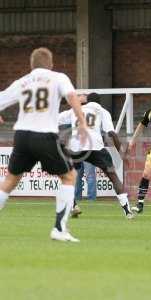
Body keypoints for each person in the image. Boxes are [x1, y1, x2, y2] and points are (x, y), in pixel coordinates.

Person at [0, 47, 87, 242]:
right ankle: (59, 228)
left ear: (31, 65)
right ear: (51, 64)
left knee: (10, 181)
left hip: (22, 136)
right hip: (45, 135)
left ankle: (60, 229)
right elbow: (72, 96)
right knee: (69, 176)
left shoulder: (22, 81)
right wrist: (82, 121)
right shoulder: (58, 77)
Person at [58, 92, 135, 219]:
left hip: (76, 147)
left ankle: (73, 205)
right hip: (96, 147)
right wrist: (122, 154)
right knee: (113, 176)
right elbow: (111, 133)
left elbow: (57, 119)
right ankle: (127, 210)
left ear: (87, 101)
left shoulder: (75, 110)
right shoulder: (102, 111)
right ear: (99, 102)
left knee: (68, 176)